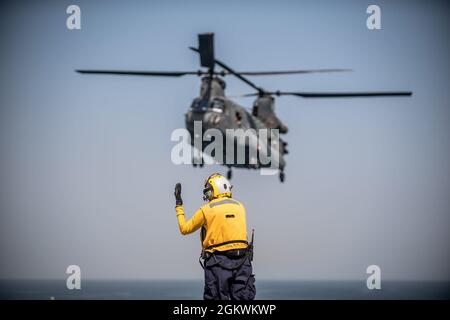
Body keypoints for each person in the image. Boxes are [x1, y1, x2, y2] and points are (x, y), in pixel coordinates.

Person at [174, 173, 256, 300]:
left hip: (218, 263)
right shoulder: (240, 206)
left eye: (208, 192)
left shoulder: (206, 209)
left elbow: (184, 229)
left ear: (216, 189)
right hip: (243, 263)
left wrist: (178, 204)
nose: (206, 197)